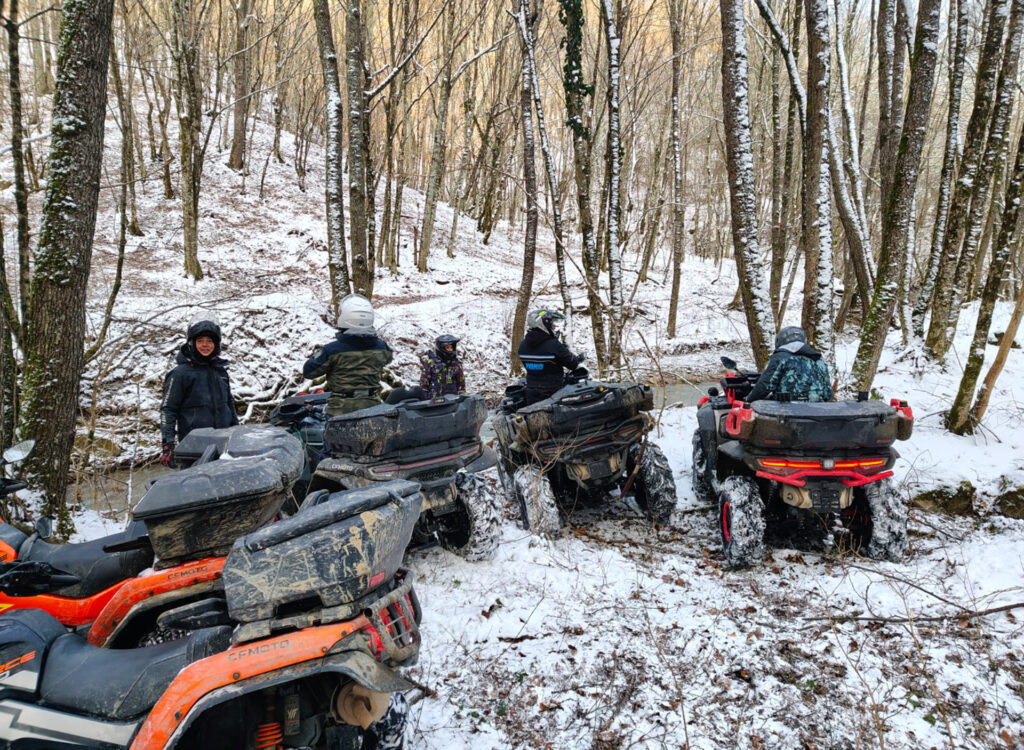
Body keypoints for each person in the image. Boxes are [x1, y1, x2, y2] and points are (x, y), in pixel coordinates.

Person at [160, 316, 239, 465]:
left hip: (224, 445)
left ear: (216, 344)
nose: (205, 345)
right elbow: (168, 410)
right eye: (200, 341)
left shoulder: (220, 372)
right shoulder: (180, 374)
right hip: (194, 448)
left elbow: (229, 404)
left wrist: (237, 433)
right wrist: (168, 444)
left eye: (209, 341)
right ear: (192, 343)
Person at [303, 294, 393, 416]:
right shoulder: (383, 348)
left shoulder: (331, 350)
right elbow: (388, 359)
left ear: (344, 317)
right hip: (373, 410)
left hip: (339, 411)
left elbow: (308, 372)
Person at [746, 326, 833, 403]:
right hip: (817, 411)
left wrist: (748, 400)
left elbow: (765, 386)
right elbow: (828, 393)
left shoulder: (780, 357)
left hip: (788, 410)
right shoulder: (819, 360)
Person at [518, 308, 584, 405]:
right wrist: (577, 358)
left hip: (531, 391)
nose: (554, 326)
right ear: (543, 323)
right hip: (554, 392)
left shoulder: (523, 345)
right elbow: (572, 364)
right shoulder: (553, 344)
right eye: (552, 323)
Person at [418, 334, 466, 398]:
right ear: (441, 348)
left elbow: (461, 385)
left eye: (451, 347)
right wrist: (425, 400)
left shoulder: (456, 364)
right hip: (433, 402)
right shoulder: (431, 363)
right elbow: (424, 385)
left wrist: (462, 399)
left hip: (452, 401)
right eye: (448, 347)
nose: (450, 350)